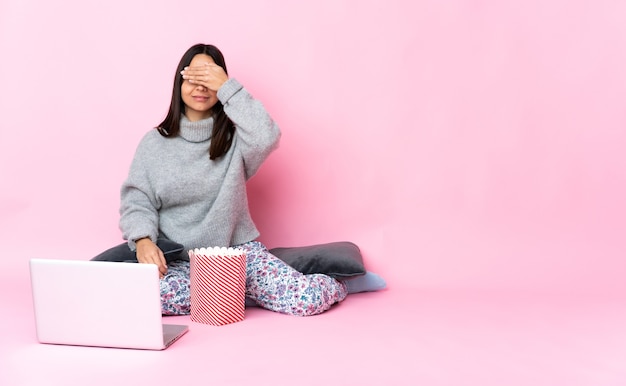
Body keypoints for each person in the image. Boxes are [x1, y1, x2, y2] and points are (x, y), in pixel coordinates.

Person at [97, 43, 350, 316]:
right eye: (193, 77)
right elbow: (137, 199)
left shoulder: (237, 139)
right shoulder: (154, 142)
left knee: (307, 300)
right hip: (181, 261)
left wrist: (228, 87)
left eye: (209, 78)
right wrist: (143, 240)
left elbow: (267, 136)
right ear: (178, 84)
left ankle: (339, 284)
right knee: (144, 299)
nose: (200, 87)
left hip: (237, 254)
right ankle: (239, 293)